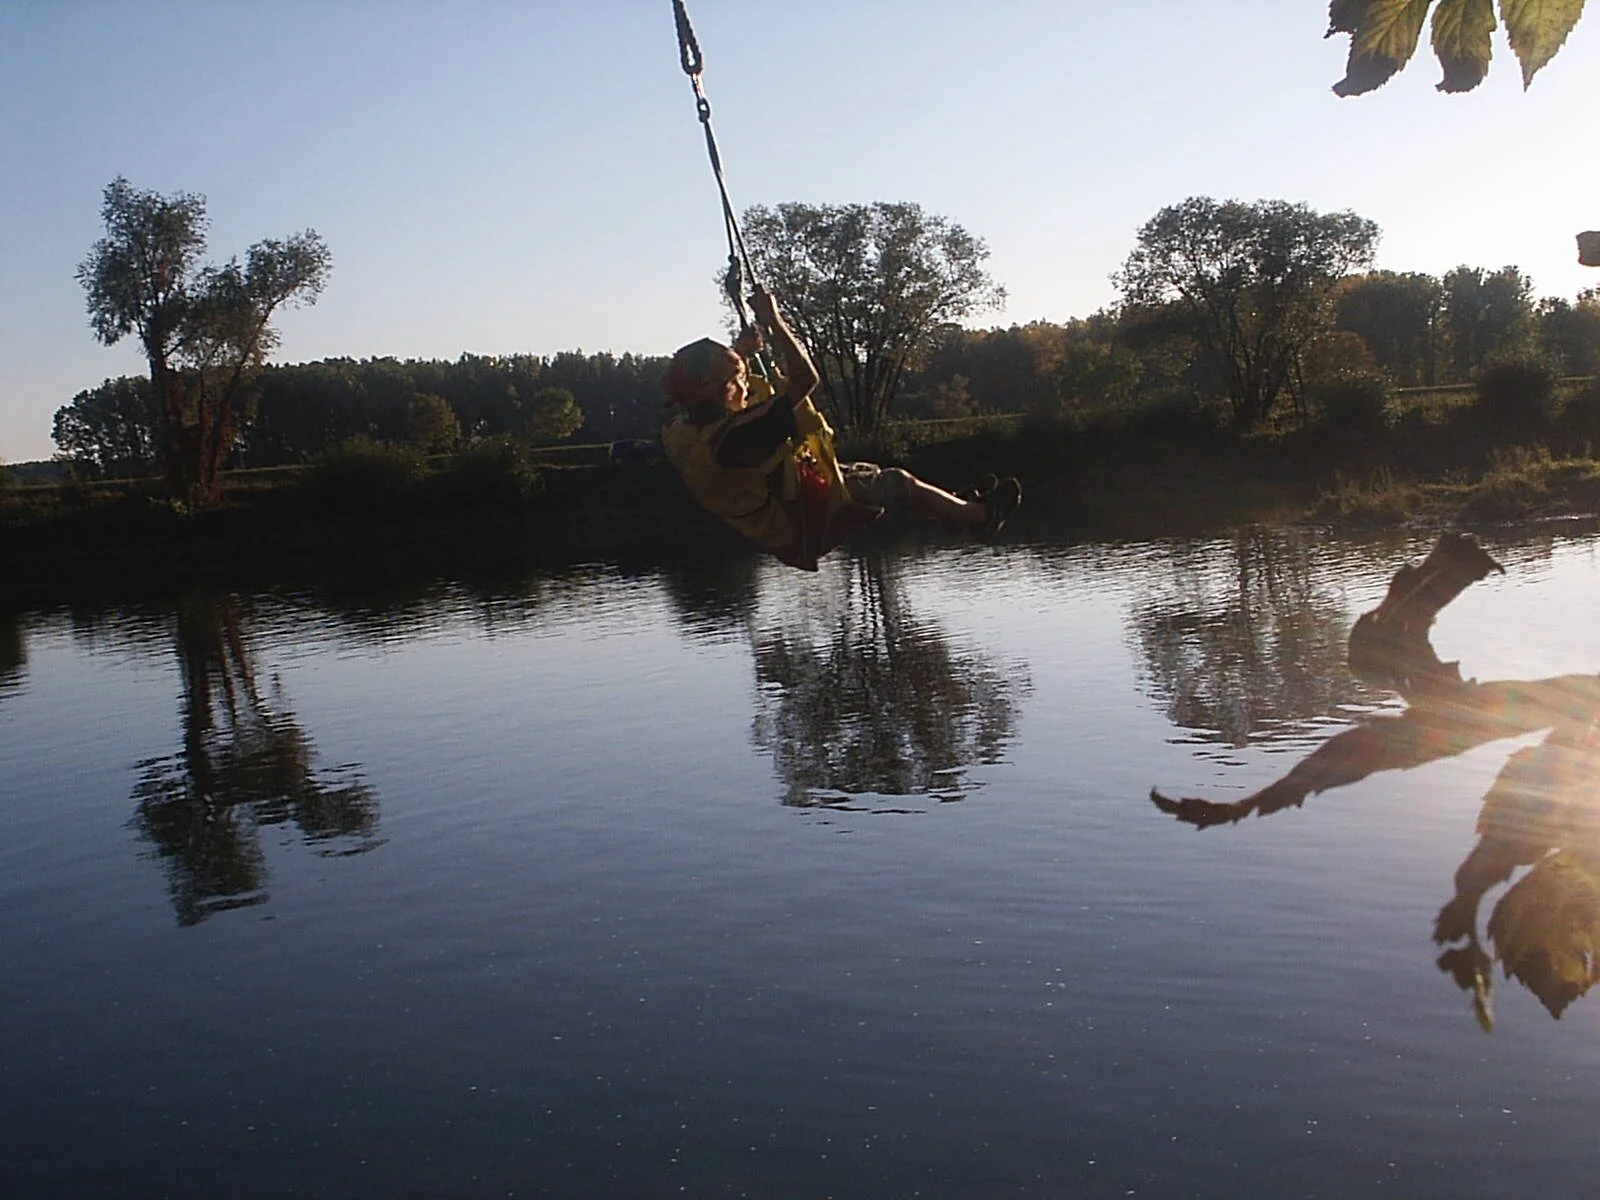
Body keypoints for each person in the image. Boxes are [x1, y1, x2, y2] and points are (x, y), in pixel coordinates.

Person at [661, 285, 1020, 571]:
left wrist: (743, 351)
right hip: (801, 520)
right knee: (894, 482)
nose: (742, 382)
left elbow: (722, 392)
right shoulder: (738, 437)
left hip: (787, 495)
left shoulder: (686, 425)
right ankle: (980, 517)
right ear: (714, 386)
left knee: (881, 479)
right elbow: (806, 379)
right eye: (736, 378)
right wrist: (774, 320)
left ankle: (955, 514)